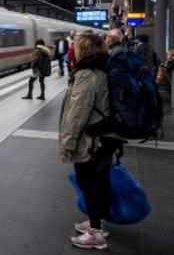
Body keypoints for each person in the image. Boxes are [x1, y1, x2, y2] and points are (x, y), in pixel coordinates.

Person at [59, 33, 123, 250]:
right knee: (100, 181)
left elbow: (77, 113)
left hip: (91, 140)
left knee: (88, 184)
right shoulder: (103, 69)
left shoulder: (87, 74)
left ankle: (95, 233)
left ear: (83, 49)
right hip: (107, 138)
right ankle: (99, 222)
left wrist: (68, 142)